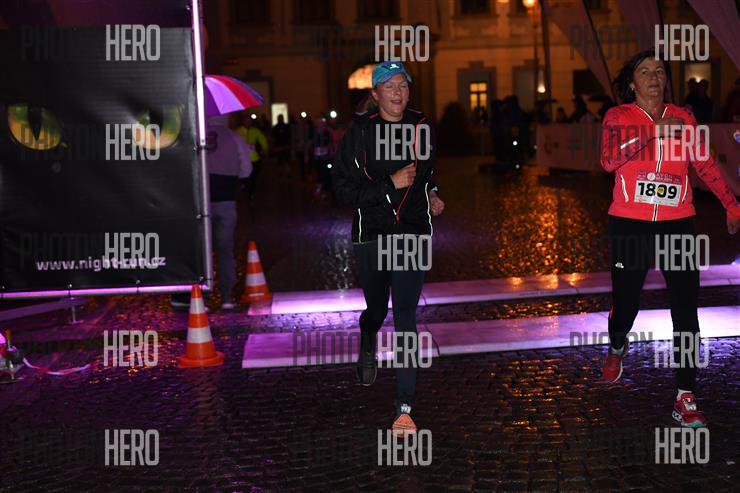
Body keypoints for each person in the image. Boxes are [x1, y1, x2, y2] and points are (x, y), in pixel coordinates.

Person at [600, 50, 740, 428]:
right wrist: (653, 131)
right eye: (645, 72)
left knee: (685, 309)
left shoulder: (684, 118)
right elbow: (608, 160)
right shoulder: (618, 117)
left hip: (677, 222)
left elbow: (705, 164)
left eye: (659, 71)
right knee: (626, 304)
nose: (653, 77)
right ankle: (617, 343)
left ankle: (685, 394)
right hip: (630, 223)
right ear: (632, 83)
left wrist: (731, 205)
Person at [332, 61, 445, 433]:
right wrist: (389, 185)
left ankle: (404, 406)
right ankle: (368, 336)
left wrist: (432, 193)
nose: (398, 92)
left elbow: (427, 173)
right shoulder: (360, 133)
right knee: (377, 309)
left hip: (412, 233)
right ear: (375, 94)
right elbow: (343, 189)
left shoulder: (421, 126)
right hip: (373, 235)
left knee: (406, 317)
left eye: (403, 85)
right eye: (390, 86)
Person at [172, 115, 253, 310]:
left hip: (202, 203)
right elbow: (246, 171)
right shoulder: (235, 137)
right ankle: (227, 297)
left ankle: (202, 297)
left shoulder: (197, 136)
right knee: (225, 250)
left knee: (202, 250)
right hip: (227, 201)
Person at [236, 114, 268, 202]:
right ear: (242, 122)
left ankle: (251, 194)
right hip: (242, 159)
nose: (248, 122)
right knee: (244, 176)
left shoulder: (255, 131)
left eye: (250, 121)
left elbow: (263, 140)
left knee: (253, 178)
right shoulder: (237, 132)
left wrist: (264, 150)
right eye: (246, 120)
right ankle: (243, 184)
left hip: (254, 159)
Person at [311, 116, 334, 198]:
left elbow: (331, 144)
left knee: (327, 173)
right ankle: (319, 188)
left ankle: (326, 190)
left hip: (327, 158)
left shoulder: (328, 132)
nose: (320, 125)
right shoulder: (314, 133)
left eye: (322, 124)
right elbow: (311, 144)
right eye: (319, 124)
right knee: (319, 173)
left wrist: (329, 150)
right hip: (317, 158)